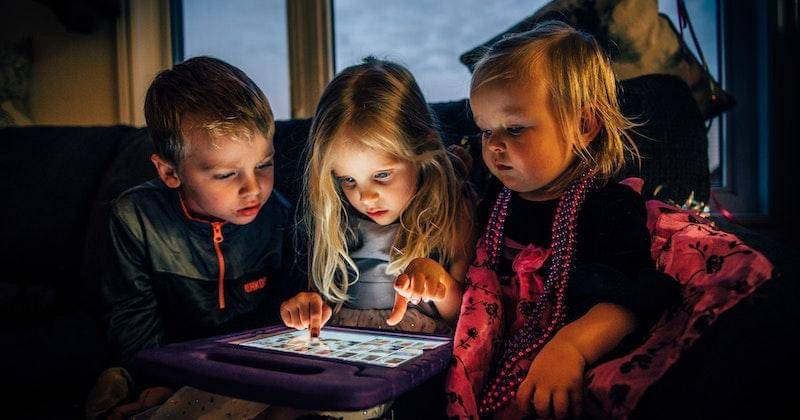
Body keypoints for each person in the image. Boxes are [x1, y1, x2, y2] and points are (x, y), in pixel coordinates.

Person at [445, 21, 681, 419]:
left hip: (568, 366)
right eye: (486, 131)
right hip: (494, 360)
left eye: (515, 129)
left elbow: (626, 302)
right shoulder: (493, 198)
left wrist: (569, 348)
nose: (496, 145)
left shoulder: (605, 205)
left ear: (584, 126)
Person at [89, 56, 302, 419]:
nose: (253, 189)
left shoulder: (279, 214)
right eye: (225, 175)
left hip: (245, 362)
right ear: (171, 172)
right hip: (170, 356)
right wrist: (154, 377)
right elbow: (131, 315)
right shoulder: (135, 218)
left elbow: (284, 302)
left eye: (263, 165)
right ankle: (127, 390)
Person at [279, 57, 476, 337]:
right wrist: (307, 307)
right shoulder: (336, 216)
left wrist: (439, 282)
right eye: (347, 180)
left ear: (423, 151)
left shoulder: (451, 209)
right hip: (346, 348)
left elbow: (467, 313)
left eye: (382, 175)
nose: (365, 197)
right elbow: (321, 296)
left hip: (418, 355)